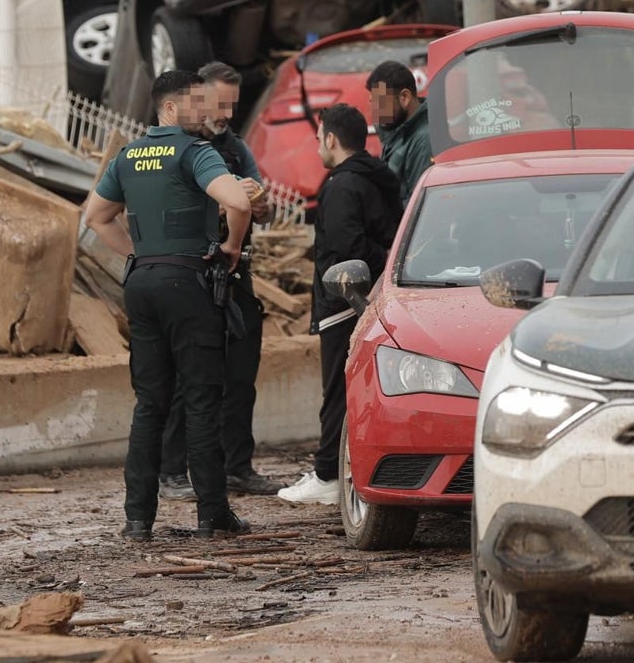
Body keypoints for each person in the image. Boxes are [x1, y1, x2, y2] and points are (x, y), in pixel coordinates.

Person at [84, 69, 253, 540]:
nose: (205, 111)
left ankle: (138, 518)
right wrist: (232, 248)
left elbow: (95, 217)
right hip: (188, 284)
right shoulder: (194, 153)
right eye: (197, 103)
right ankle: (212, 514)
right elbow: (237, 201)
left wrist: (136, 253)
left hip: (142, 284)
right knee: (201, 400)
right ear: (171, 108)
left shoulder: (128, 155)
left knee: (150, 403)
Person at [157, 61, 285, 500]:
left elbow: (260, 203)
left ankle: (237, 467)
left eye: (233, 104)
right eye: (219, 104)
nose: (227, 113)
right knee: (185, 375)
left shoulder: (234, 147)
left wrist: (260, 207)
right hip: (190, 275)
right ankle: (172, 470)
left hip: (234, 273)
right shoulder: (175, 148)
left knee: (241, 373)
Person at [278, 104, 403, 504]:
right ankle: (335, 468)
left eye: (318, 139)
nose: (317, 147)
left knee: (336, 390)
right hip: (372, 298)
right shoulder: (379, 177)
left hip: (343, 305)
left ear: (331, 139)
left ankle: (328, 474)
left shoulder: (341, 186)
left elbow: (348, 248)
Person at [367, 60, 431, 206]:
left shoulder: (424, 141)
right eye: (372, 102)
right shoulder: (395, 132)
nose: (375, 110)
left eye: (380, 102)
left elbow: (419, 207)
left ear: (405, 97)